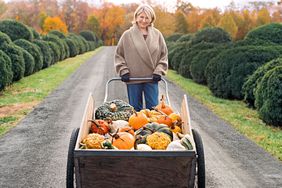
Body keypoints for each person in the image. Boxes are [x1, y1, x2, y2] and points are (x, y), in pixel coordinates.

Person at [114, 4, 168, 111]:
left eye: (147, 17)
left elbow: (164, 55)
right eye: (141, 17)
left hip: (151, 78)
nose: (144, 20)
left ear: (152, 18)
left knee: (153, 109)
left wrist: (159, 71)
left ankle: (152, 128)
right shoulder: (127, 35)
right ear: (136, 17)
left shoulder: (157, 35)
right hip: (133, 78)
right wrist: (123, 71)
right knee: (135, 110)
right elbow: (119, 55)